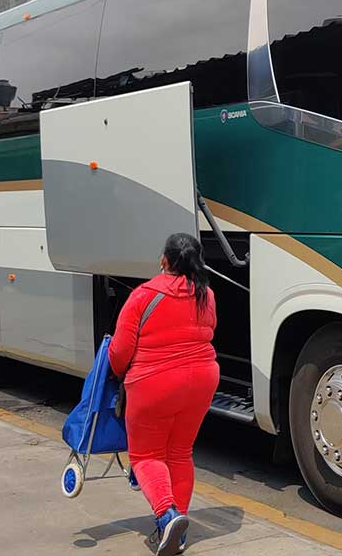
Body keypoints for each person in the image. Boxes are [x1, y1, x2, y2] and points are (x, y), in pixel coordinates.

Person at [109, 233, 218, 556]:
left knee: (145, 456)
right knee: (180, 453)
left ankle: (167, 514)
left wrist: (115, 372)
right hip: (202, 379)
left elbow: (120, 352)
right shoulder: (206, 294)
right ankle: (176, 533)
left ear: (164, 260)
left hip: (154, 383)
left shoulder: (143, 295)